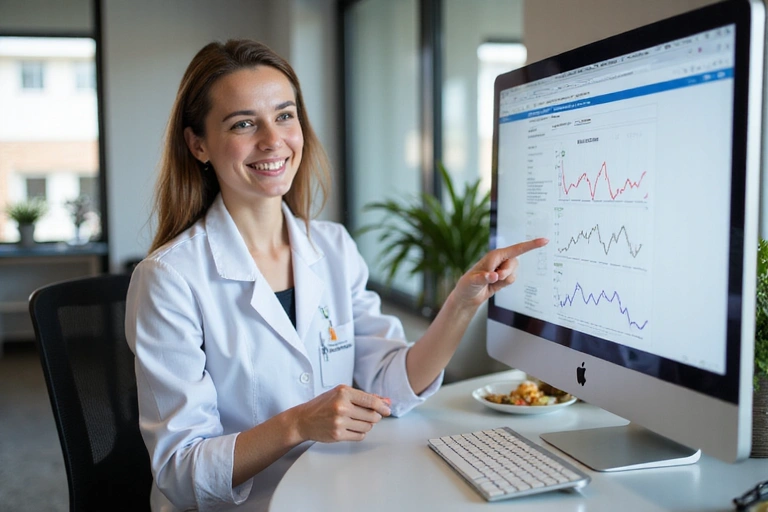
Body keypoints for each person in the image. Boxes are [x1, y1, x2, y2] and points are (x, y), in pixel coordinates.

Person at [125, 38, 548, 512]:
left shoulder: (332, 247)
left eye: (285, 116)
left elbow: (389, 386)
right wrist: (297, 424)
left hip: (338, 489)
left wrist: (462, 303)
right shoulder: (169, 278)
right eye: (244, 123)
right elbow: (181, 472)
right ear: (197, 143)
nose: (272, 140)